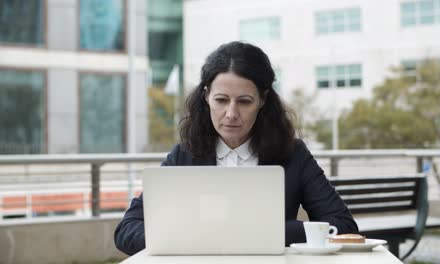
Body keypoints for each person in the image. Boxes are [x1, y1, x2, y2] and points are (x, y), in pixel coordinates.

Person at [114, 41, 358, 256]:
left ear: (262, 100)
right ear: (206, 96)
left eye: (244, 102)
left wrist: (260, 232)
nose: (231, 114)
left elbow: (342, 226)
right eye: (221, 100)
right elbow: (126, 230)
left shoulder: (293, 154)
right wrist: (185, 238)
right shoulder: (184, 155)